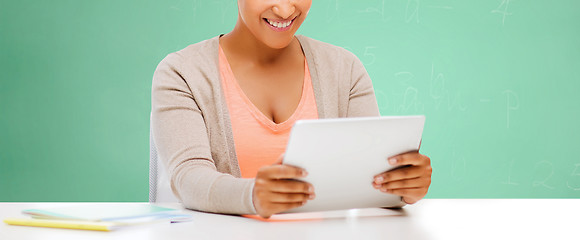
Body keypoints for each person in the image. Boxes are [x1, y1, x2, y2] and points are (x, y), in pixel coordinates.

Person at [151, 0, 432, 218]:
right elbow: (187, 177)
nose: (285, 9)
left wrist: (404, 188)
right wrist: (253, 196)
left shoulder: (345, 70)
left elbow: (370, 180)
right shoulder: (181, 73)